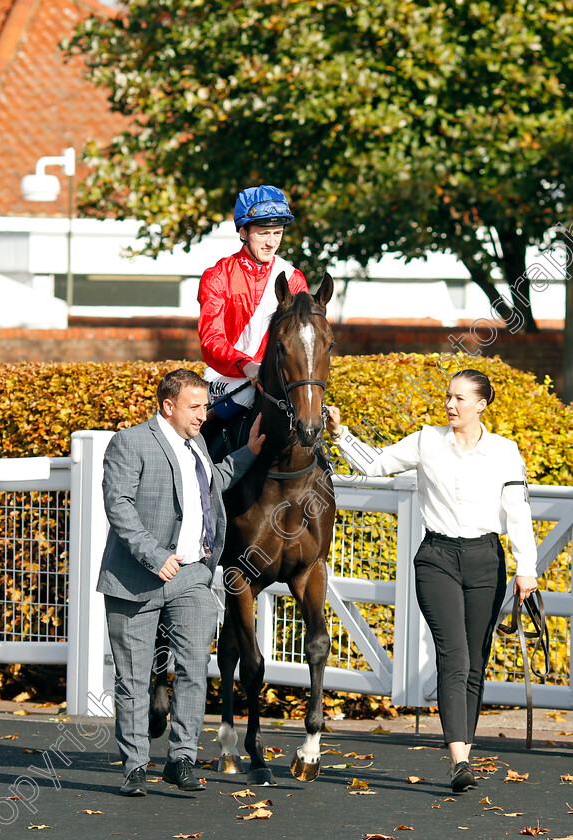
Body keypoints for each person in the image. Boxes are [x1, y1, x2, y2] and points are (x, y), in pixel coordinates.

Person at [326, 369, 538, 794]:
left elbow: (518, 513)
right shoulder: (426, 440)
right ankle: (459, 759)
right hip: (437, 557)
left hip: (485, 560)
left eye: (460, 398)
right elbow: (377, 464)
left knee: (476, 661)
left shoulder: (504, 452)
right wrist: (341, 433)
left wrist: (526, 567)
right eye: (448, 397)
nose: (450, 404)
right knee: (454, 656)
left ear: (481, 404)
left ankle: (465, 750)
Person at [97, 368, 265, 797]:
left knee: (194, 668)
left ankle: (182, 759)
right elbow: (118, 505)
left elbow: (214, 484)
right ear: (167, 406)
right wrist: (155, 556)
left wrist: (247, 452)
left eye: (206, 405)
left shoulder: (198, 445)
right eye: (195, 407)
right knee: (133, 679)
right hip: (135, 580)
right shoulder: (130, 442)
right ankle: (135, 766)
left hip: (192, 576)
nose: (204, 415)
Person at [197, 184, 308, 419]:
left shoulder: (294, 279)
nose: (271, 242)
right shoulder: (217, 276)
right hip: (228, 378)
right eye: (263, 233)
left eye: (277, 233)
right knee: (230, 407)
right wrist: (246, 366)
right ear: (244, 232)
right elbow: (211, 340)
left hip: (278, 380)